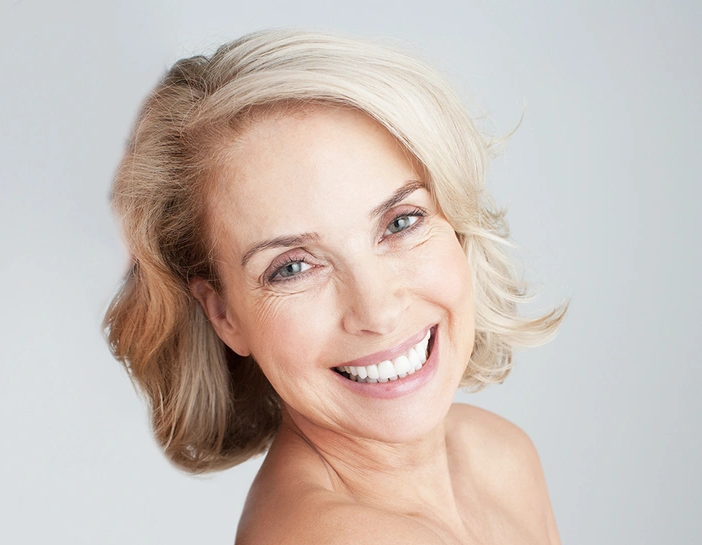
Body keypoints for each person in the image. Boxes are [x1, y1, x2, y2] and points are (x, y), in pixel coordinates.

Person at [104, 29, 567, 544]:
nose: (379, 311)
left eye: (401, 222)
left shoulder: (501, 455)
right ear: (224, 315)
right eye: (293, 267)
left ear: (455, 221)